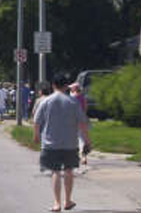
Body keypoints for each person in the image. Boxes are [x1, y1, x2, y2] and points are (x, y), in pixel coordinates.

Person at [34, 72, 91, 212]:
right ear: (66, 86)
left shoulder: (45, 101)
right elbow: (82, 124)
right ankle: (68, 200)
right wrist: (87, 141)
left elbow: (36, 121)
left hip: (50, 143)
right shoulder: (73, 102)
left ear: (53, 85)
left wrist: (36, 136)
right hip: (70, 143)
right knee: (69, 171)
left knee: (55, 172)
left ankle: (57, 203)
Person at [69, 83, 88, 165]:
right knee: (81, 137)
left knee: (73, 137)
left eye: (71, 88)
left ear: (74, 89)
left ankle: (76, 156)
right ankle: (83, 156)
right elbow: (85, 107)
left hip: (73, 119)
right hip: (82, 118)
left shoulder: (72, 97)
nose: (70, 90)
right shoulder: (82, 97)